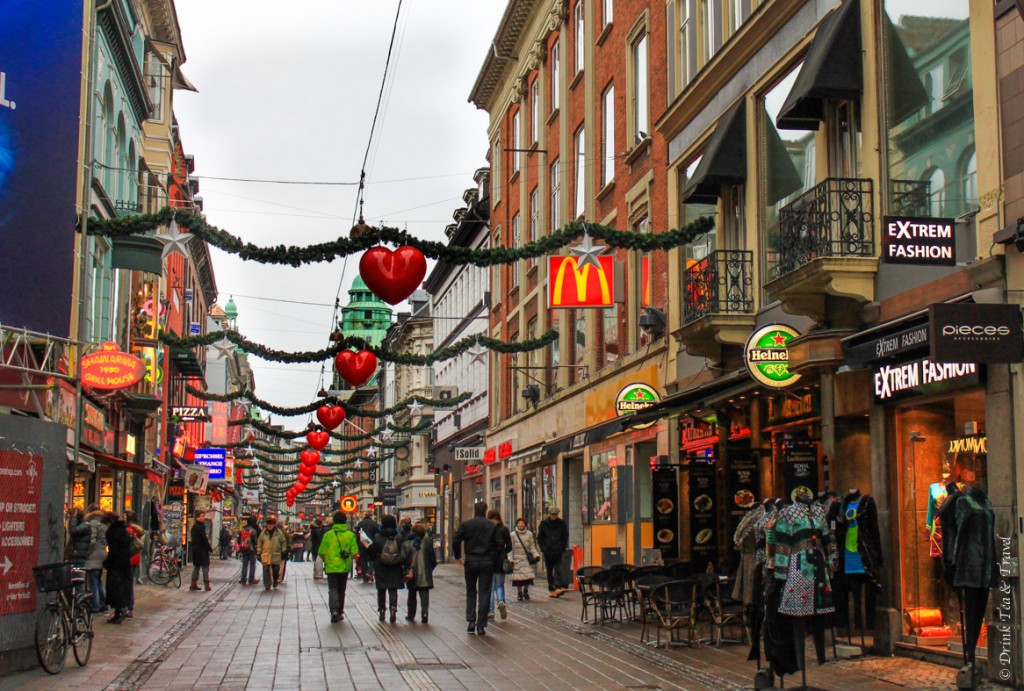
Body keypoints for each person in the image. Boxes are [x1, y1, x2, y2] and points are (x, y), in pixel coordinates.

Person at [453, 501, 504, 635]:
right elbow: (499, 545)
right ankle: (481, 624)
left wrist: (458, 555)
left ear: (474, 510)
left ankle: (471, 621)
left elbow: (456, 539)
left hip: (471, 560)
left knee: (471, 591)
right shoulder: (491, 526)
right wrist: (493, 557)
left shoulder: (467, 524)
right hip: (487, 561)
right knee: (485, 592)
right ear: (485, 511)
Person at [369, 514, 413, 623]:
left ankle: (382, 609)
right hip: (395, 565)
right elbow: (403, 552)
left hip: (380, 565)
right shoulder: (398, 536)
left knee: (381, 588)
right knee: (393, 588)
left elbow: (372, 551)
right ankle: (393, 608)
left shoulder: (378, 536)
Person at [319, 511, 359, 622]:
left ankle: (334, 610)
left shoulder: (328, 535)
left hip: (331, 567)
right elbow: (355, 551)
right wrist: (349, 559)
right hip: (344, 567)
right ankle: (340, 610)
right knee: (342, 589)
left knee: (332, 588)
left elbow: (321, 551)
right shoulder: (350, 535)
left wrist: (327, 560)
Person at [104, 513, 134, 624]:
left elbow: (114, 549)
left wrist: (108, 561)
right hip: (123, 565)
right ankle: (119, 612)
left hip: (117, 565)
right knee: (119, 589)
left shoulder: (115, 532)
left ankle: (120, 611)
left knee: (117, 589)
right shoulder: (123, 530)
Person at [405, 522, 437, 623]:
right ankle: (425, 613)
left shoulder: (408, 543)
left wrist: (406, 569)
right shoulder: (427, 542)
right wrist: (429, 569)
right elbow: (433, 559)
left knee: (412, 595)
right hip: (425, 574)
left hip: (413, 573)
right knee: (424, 595)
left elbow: (405, 558)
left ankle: (411, 614)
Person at [487, 509, 513, 621]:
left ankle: (490, 611)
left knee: (490, 587)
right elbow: (510, 546)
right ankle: (501, 600)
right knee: (499, 585)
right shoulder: (504, 530)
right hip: (501, 560)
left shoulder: (486, 530)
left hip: (489, 561)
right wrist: (503, 553)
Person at [537, 506, 569, 597]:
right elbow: (540, 538)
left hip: (558, 550)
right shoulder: (544, 524)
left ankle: (558, 587)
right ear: (549, 514)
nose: (554, 516)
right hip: (548, 551)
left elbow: (565, 536)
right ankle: (551, 588)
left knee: (558, 569)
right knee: (549, 571)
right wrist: (543, 548)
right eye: (552, 514)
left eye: (555, 515)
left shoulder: (562, 523)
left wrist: (562, 547)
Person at [83, 505, 109, 614]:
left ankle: (95, 606)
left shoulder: (92, 523)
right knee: (98, 580)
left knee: (93, 581)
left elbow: (92, 540)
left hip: (93, 555)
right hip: (102, 553)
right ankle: (103, 604)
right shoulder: (103, 525)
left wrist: (87, 552)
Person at [510, 517, 540, 601]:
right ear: (516, 524)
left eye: (522, 523)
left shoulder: (529, 534)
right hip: (517, 559)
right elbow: (510, 548)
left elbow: (532, 547)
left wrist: (536, 555)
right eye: (519, 523)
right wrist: (510, 559)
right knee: (518, 579)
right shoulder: (512, 534)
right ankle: (519, 593)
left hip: (527, 559)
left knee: (528, 577)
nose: (521, 524)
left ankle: (526, 591)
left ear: (525, 524)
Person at [256, 516, 288, 590]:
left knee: (275, 569)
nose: (269, 526)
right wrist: (258, 552)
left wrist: (283, 551)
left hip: (276, 554)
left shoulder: (279, 533)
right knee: (266, 570)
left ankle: (275, 580)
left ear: (274, 525)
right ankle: (267, 584)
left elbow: (283, 542)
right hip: (266, 554)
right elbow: (259, 543)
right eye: (268, 524)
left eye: (271, 524)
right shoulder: (263, 533)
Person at [125, 511, 145, 617]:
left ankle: (127, 607)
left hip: (128, 558)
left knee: (126, 584)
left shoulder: (128, 530)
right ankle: (129, 608)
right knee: (130, 583)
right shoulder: (138, 529)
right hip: (135, 558)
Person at [189, 510, 213, 591]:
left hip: (195, 550)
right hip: (202, 550)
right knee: (205, 567)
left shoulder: (194, 527)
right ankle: (206, 584)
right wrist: (209, 548)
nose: (204, 518)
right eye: (202, 516)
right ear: (197, 518)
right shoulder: (201, 527)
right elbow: (204, 539)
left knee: (197, 567)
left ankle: (193, 583)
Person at [238, 515, 260, 585]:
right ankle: (251, 579)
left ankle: (243, 579)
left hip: (244, 549)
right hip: (251, 549)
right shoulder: (253, 531)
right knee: (252, 564)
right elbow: (256, 541)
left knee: (244, 564)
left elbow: (239, 540)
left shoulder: (243, 530)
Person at [356, 511, 378, 582]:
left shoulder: (360, 523)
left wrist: (358, 543)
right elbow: (376, 533)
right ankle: (369, 571)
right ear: (371, 515)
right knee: (372, 558)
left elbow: (357, 534)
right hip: (371, 543)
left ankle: (365, 576)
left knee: (363, 559)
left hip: (362, 543)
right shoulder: (373, 523)